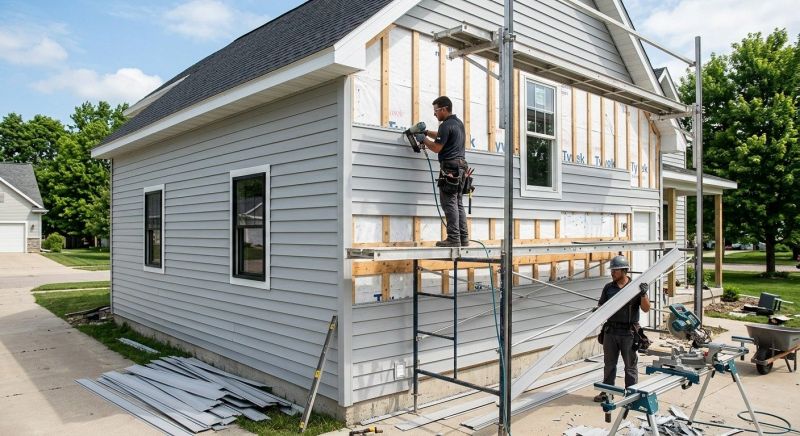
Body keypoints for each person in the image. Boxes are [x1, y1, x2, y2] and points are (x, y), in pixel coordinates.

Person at [593, 255, 650, 402]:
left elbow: (646, 309)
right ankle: (607, 392)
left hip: (629, 333)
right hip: (611, 331)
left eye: (615, 271)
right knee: (609, 365)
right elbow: (602, 306)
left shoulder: (635, 288)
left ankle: (632, 394)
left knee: (630, 366)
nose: (612, 273)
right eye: (612, 270)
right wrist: (597, 311)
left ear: (625, 271)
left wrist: (643, 294)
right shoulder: (608, 288)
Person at [416, 96, 468, 247]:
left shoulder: (445, 125)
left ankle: (453, 238)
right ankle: (463, 238)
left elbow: (437, 147)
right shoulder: (458, 124)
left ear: (444, 109)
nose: (434, 114)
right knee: (458, 203)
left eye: (436, 110)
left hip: (450, 168)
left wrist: (422, 139)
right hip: (461, 167)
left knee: (449, 203)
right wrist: (426, 133)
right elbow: (442, 136)